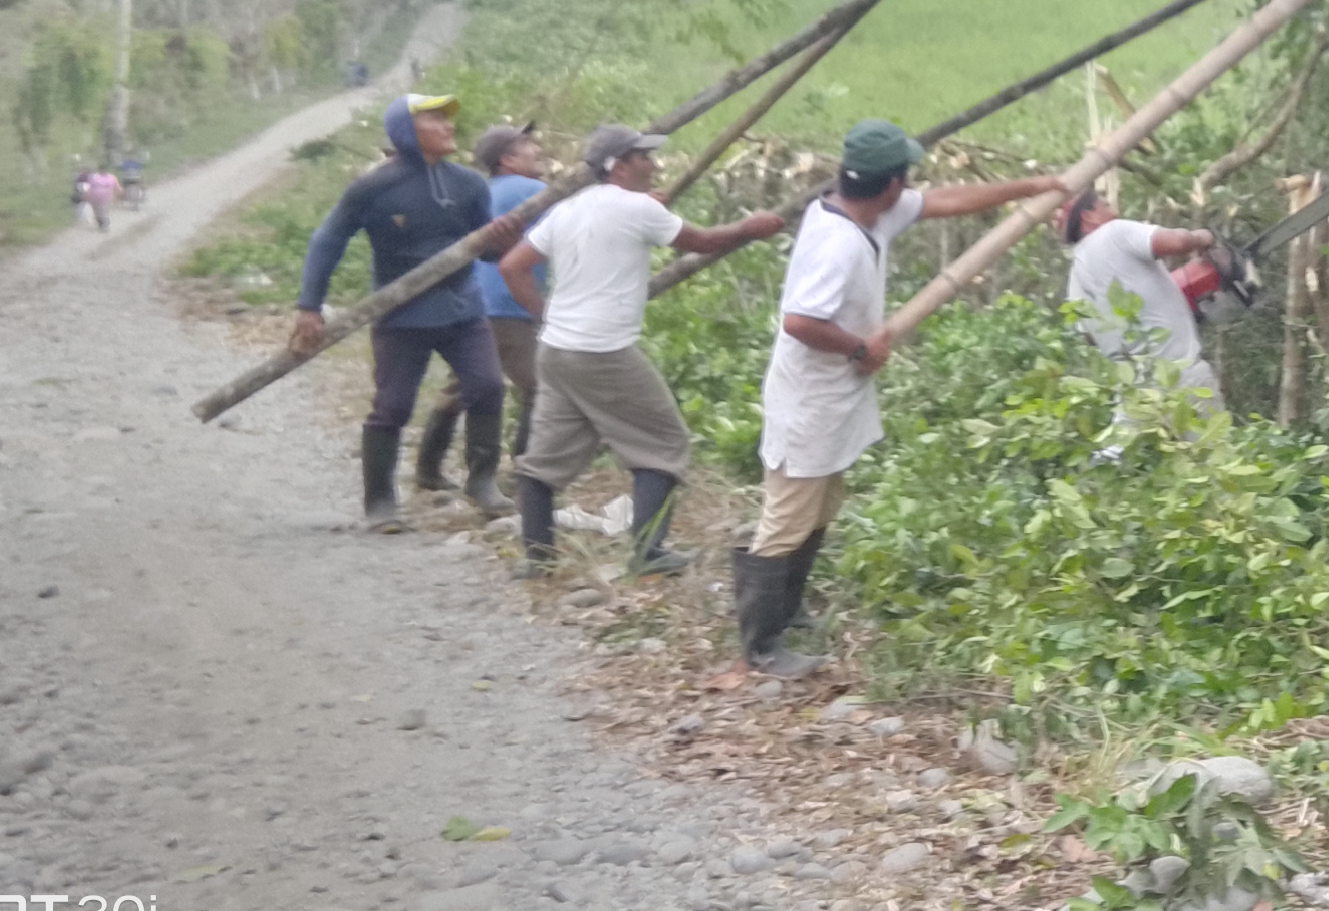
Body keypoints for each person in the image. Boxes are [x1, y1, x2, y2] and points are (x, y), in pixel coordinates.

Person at [741, 119, 1064, 677]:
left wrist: (1030, 187)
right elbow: (799, 321)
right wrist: (858, 347)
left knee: (821, 506)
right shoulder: (838, 243)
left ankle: (789, 611)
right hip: (809, 399)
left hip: (833, 395)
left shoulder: (864, 212)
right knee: (788, 515)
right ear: (891, 183)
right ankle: (761, 645)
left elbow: (947, 199)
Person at [498, 125, 783, 577]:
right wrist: (750, 227)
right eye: (644, 157)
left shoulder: (569, 208)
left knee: (544, 459)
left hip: (556, 349)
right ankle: (648, 552)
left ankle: (538, 557)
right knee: (664, 442)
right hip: (603, 351)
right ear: (619, 166)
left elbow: (512, 266)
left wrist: (544, 314)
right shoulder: (636, 209)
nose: (653, 165)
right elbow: (704, 241)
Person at [291, 94, 519, 532]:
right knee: (392, 407)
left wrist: (504, 240)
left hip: (462, 309)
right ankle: (380, 502)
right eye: (435, 119)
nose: (448, 126)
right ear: (406, 131)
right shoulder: (374, 188)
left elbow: (488, 252)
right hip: (401, 315)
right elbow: (327, 241)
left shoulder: (469, 184)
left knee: (488, 386)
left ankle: (482, 482)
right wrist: (309, 306)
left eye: (447, 119)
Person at [414, 125, 548, 509]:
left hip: (474, 300)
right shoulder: (534, 192)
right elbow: (578, 219)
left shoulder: (483, 191)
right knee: (538, 388)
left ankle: (428, 466)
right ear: (508, 159)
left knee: (460, 385)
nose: (536, 150)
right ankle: (524, 473)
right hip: (509, 303)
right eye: (527, 146)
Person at [1059, 191, 1222, 409]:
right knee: (1209, 431)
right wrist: (1203, 237)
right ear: (1088, 215)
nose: (1113, 210)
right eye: (1105, 205)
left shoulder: (1074, 280)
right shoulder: (1113, 232)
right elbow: (1179, 241)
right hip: (1182, 377)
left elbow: (1090, 337)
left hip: (1136, 396)